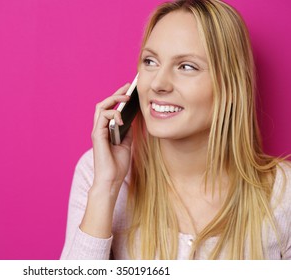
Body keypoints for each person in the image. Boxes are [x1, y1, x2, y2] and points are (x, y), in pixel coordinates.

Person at [60, 0, 291, 259]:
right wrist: (106, 187)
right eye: (150, 61)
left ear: (230, 86)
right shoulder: (97, 173)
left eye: (186, 66)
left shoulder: (283, 195)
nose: (158, 83)